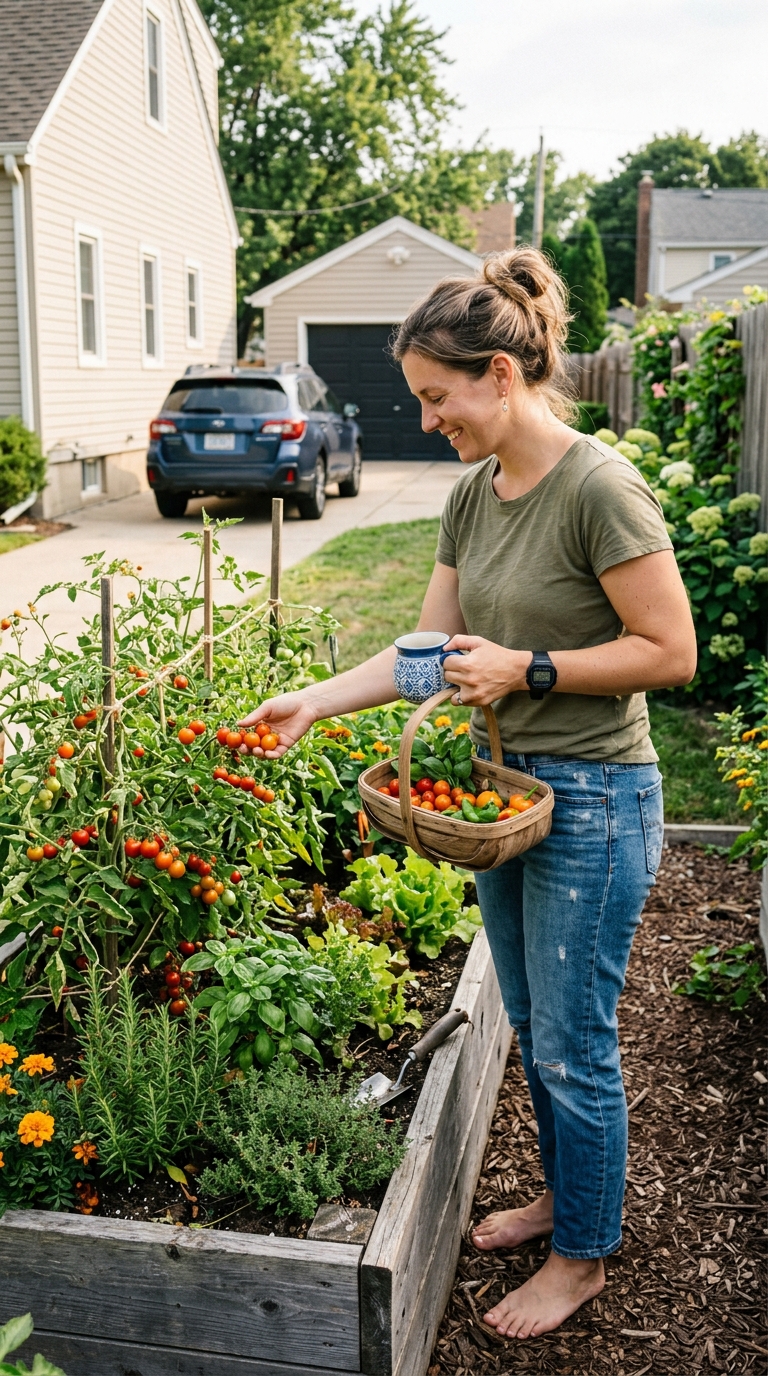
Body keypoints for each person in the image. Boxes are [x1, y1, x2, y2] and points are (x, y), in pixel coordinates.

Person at [239, 247, 697, 1340]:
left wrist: (532, 667)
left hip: (593, 796)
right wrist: (314, 698)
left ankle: (584, 1254)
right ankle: (562, 1197)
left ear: (499, 372)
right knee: (535, 1020)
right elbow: (431, 649)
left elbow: (671, 650)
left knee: (571, 1042)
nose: (429, 419)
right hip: (508, 797)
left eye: (438, 399)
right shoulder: (471, 494)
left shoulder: (596, 486)